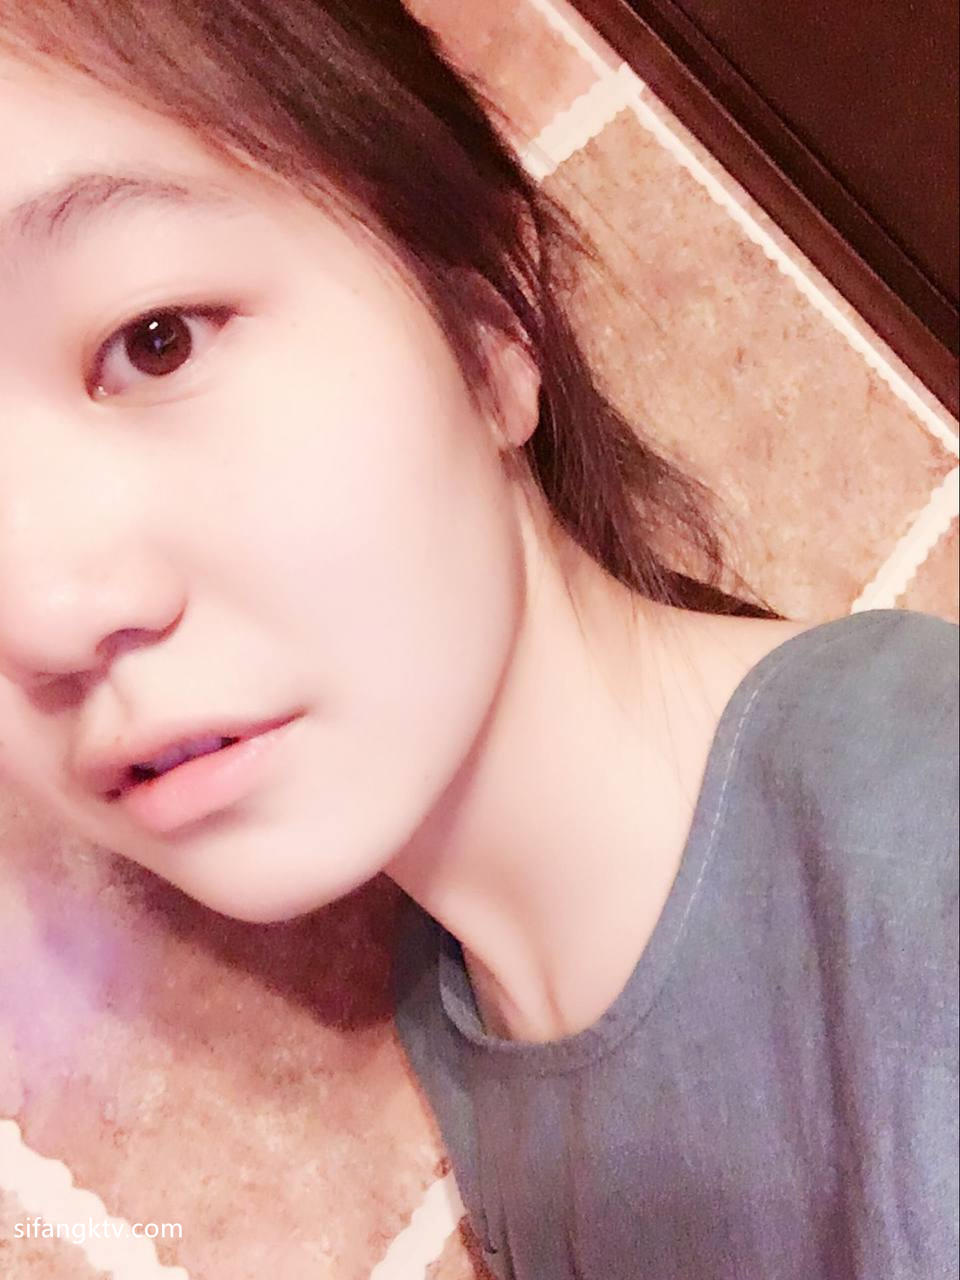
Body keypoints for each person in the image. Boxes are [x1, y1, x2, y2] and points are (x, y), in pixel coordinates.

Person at [0, 3, 955, 1277]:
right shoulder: (463, 1035)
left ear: (495, 325)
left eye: (154, 340)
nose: (40, 614)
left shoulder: (921, 837)